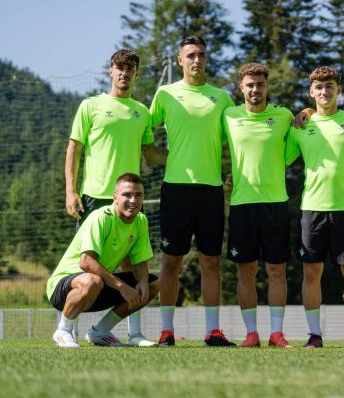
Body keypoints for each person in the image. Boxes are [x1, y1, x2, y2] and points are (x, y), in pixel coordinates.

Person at [64, 49, 165, 346]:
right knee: (86, 266)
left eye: (131, 68)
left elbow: (150, 153)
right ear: (110, 71)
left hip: (130, 200)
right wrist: (71, 190)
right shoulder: (90, 105)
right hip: (94, 197)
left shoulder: (141, 111)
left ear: (136, 73)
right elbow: (75, 149)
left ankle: (128, 333)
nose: (125, 72)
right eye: (119, 67)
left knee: (133, 265)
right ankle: (65, 329)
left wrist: (191, 160)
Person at [150, 36, 235, 347]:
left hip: (211, 191)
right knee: (171, 262)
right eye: (190, 55)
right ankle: (166, 331)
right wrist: (161, 157)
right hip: (176, 190)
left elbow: (240, 140)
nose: (196, 60)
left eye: (201, 54)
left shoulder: (222, 98)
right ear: (179, 61)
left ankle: (213, 331)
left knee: (211, 262)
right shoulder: (165, 95)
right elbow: (145, 135)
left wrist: (232, 175)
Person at [286, 66, 344, 348]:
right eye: (319, 88)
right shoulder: (300, 126)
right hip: (312, 209)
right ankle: (314, 335)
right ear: (311, 92)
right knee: (311, 273)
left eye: (330, 86)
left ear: (339, 90)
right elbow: (281, 159)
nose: (325, 92)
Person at [222, 63, 294, 348]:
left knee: (277, 271)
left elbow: (306, 128)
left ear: (267, 86)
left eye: (260, 84)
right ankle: (251, 333)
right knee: (246, 271)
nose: (255, 89)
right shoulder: (228, 116)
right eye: (250, 85)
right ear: (241, 88)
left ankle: (277, 333)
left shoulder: (284, 116)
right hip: (242, 204)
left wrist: (309, 112)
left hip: (276, 203)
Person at [47, 173, 159, 348]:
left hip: (97, 286)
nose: (133, 200)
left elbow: (139, 261)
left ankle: (100, 332)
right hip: (63, 286)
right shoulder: (101, 217)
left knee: (154, 283)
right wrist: (123, 288)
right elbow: (86, 262)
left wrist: (143, 281)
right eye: (127, 194)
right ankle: (63, 330)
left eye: (138, 195)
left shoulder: (140, 221)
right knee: (93, 280)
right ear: (114, 197)